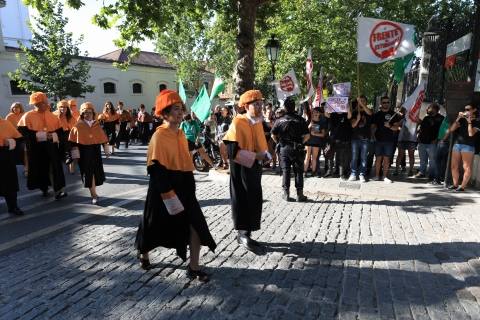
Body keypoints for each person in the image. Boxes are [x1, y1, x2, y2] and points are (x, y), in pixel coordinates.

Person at [135, 89, 216, 281]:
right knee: (152, 225)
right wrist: (168, 195)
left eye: (181, 109)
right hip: (163, 190)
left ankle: (194, 267)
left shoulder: (181, 135)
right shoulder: (158, 136)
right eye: (176, 109)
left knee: (196, 225)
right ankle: (143, 252)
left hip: (184, 188)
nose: (180, 113)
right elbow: (155, 170)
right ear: (165, 113)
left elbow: (188, 158)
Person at [223, 89, 270, 252]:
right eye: (256, 104)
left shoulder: (257, 122)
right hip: (241, 170)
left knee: (254, 199)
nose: (259, 107)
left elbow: (261, 143)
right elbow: (232, 153)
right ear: (246, 106)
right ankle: (242, 233)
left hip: (255, 169)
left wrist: (266, 154)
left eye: (261, 104)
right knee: (242, 199)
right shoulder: (237, 123)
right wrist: (256, 156)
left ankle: (247, 233)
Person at [17, 92, 67, 199]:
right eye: (40, 103)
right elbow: (23, 133)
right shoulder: (28, 116)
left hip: (51, 147)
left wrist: (52, 135)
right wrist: (42, 135)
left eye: (44, 102)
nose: (44, 104)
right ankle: (44, 188)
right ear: (35, 104)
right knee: (41, 169)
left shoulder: (53, 116)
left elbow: (60, 133)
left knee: (54, 168)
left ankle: (58, 190)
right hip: (37, 148)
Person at [69, 102, 109, 204]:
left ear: (93, 113)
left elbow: (103, 138)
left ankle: (94, 192)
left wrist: (106, 149)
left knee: (95, 171)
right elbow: (73, 142)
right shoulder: (78, 125)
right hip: (84, 152)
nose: (88, 114)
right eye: (85, 112)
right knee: (88, 173)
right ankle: (93, 195)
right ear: (82, 114)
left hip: (95, 150)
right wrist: (74, 159)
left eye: (90, 112)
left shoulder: (97, 124)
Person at [271, 97, 310, 202]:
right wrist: (301, 142)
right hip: (297, 148)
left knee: (286, 171)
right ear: (294, 107)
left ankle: (286, 193)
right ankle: (299, 194)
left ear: (285, 107)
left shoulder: (279, 120)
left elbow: (273, 135)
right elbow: (307, 136)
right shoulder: (300, 119)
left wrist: (278, 142)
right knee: (298, 171)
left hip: (284, 148)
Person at [443, 104, 480, 191]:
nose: (466, 110)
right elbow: (451, 129)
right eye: (465, 109)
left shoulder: (477, 122)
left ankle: (462, 186)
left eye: (468, 109)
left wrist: (469, 121)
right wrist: (458, 118)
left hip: (468, 145)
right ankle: (455, 184)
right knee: (453, 166)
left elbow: (471, 134)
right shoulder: (462, 120)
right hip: (457, 144)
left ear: (474, 110)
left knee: (466, 167)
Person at [371, 96, 401, 183]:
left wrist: (390, 126)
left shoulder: (393, 114)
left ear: (390, 103)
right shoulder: (377, 115)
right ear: (381, 103)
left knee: (387, 159)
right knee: (378, 159)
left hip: (389, 141)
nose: (386, 104)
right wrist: (373, 132)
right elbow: (372, 126)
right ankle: (377, 176)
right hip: (378, 140)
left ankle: (385, 177)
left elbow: (396, 128)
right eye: (384, 102)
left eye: (387, 102)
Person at [0, 117, 24, 215]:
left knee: (10, 182)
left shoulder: (5, 123)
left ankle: (13, 206)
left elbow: (18, 138)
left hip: (6, 157)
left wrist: (10, 141)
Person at [415, 103, 444, 180]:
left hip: (432, 143)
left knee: (432, 160)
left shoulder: (441, 119)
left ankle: (432, 175)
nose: (427, 109)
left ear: (435, 109)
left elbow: (441, 131)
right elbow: (422, 128)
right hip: (422, 142)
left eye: (429, 108)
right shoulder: (426, 118)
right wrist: (419, 137)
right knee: (422, 159)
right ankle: (422, 172)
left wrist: (436, 140)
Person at [325, 102, 352, 179]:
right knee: (330, 156)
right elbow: (326, 114)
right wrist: (328, 103)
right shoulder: (333, 113)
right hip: (333, 139)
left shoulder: (345, 113)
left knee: (341, 158)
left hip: (343, 139)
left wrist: (347, 106)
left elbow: (350, 116)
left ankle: (341, 174)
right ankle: (330, 172)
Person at [349, 96, 373, 182]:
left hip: (365, 139)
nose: (361, 102)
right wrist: (358, 119)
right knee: (354, 157)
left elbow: (370, 113)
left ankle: (362, 174)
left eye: (363, 101)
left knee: (364, 158)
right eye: (360, 101)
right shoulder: (354, 113)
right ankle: (353, 173)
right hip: (355, 139)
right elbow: (353, 125)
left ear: (366, 102)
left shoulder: (369, 111)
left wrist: (362, 104)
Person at [53, 100, 77, 174]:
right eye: (61, 107)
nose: (63, 109)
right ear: (58, 108)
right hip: (58, 135)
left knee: (70, 152)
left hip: (68, 135)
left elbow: (75, 127)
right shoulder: (53, 115)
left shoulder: (71, 117)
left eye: (65, 107)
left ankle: (71, 169)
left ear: (67, 108)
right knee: (58, 153)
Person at [304, 106, 328, 178]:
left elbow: (323, 134)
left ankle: (313, 172)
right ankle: (304, 172)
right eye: (314, 112)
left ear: (320, 113)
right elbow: (304, 131)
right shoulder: (309, 120)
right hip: (308, 141)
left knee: (314, 157)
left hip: (316, 142)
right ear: (312, 112)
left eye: (317, 112)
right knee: (307, 156)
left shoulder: (321, 122)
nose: (316, 113)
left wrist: (315, 134)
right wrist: (309, 126)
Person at [6, 102, 28, 175]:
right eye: (14, 107)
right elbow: (7, 128)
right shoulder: (9, 116)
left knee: (26, 151)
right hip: (15, 138)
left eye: (17, 107)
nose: (15, 109)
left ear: (20, 108)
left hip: (24, 137)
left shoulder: (24, 115)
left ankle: (26, 169)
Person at [394, 106, 416, 177]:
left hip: (411, 139)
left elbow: (420, 122)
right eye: (407, 111)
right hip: (402, 139)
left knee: (411, 156)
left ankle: (411, 170)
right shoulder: (403, 119)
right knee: (400, 155)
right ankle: (396, 170)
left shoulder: (414, 119)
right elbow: (397, 125)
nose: (408, 112)